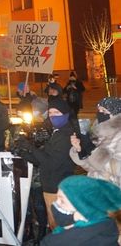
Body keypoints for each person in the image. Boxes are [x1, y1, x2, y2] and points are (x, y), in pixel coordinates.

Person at [15, 98, 75, 230]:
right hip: (49, 184)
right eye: (51, 113)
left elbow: (51, 162)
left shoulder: (66, 135)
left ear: (65, 114)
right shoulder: (57, 132)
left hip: (58, 186)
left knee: (59, 227)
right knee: (54, 225)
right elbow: (42, 159)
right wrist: (22, 153)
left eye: (57, 113)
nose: (53, 116)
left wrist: (31, 147)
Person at [40, 175, 121, 245]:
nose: (55, 204)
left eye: (62, 201)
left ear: (84, 210)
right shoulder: (105, 227)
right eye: (57, 198)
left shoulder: (64, 241)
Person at [69, 97, 121, 186]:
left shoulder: (118, 136)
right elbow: (91, 168)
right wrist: (80, 149)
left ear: (115, 114)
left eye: (104, 111)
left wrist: (93, 152)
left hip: (114, 192)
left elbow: (118, 170)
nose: (100, 114)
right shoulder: (98, 135)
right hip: (97, 189)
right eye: (99, 110)